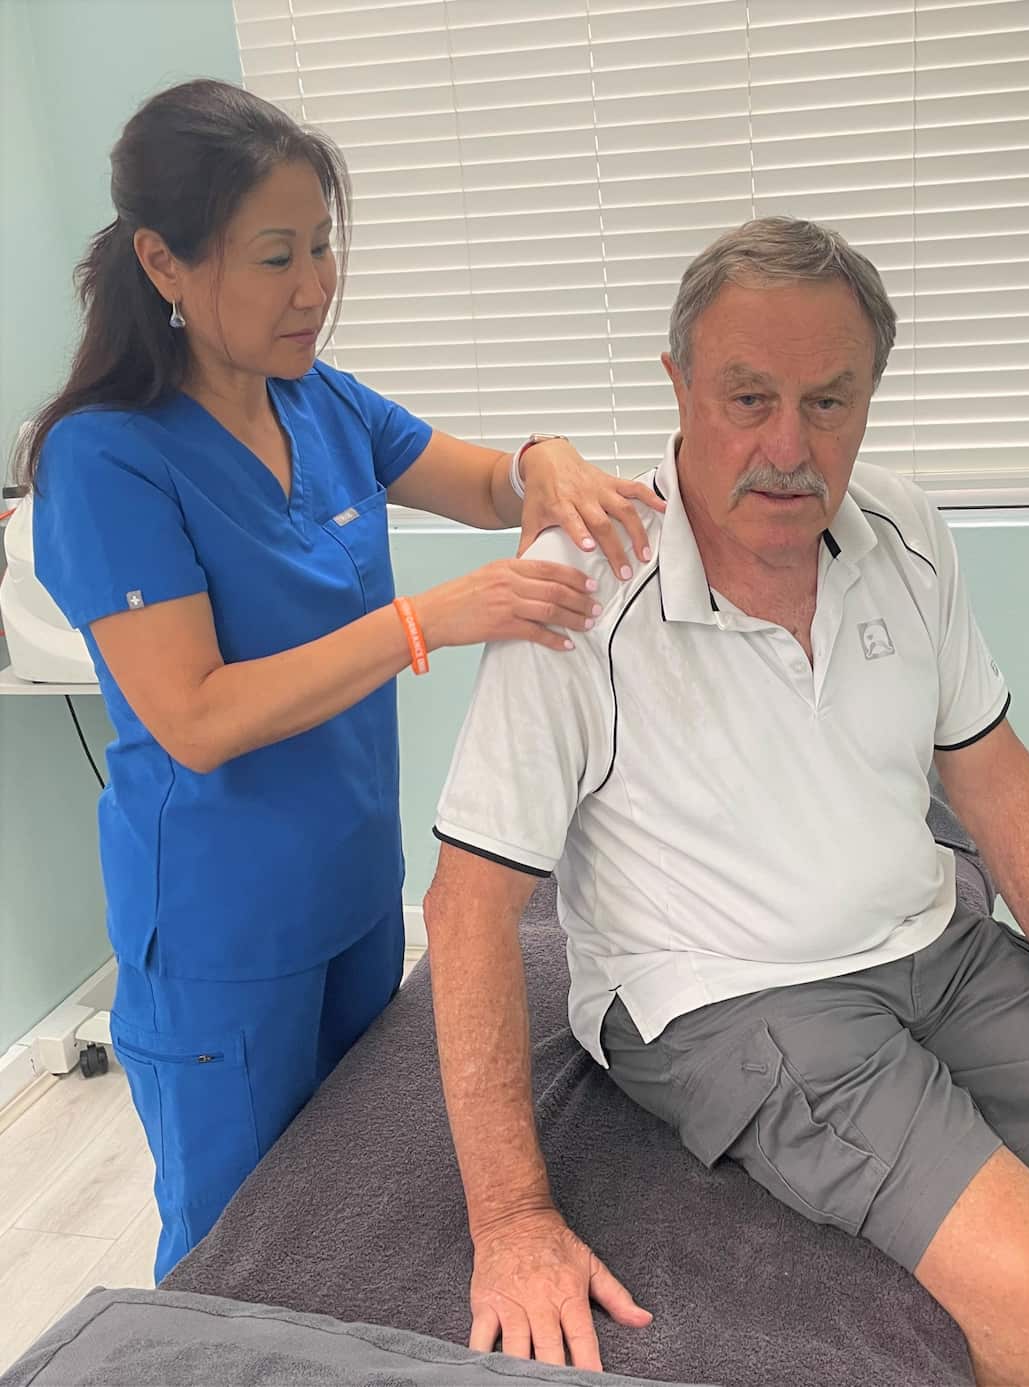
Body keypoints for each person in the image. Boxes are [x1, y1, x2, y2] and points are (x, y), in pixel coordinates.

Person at [424, 218, 1029, 1384]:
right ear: (676, 388)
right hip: (726, 992)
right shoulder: (581, 596)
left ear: (870, 394)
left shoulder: (902, 530)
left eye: (828, 402)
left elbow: (987, 767)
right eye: (746, 398)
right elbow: (468, 907)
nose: (786, 446)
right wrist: (512, 1218)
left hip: (933, 947)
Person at [20, 78, 662, 1282]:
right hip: (224, 929)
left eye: (322, 245)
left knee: (355, 1206)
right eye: (274, 257)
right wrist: (428, 619)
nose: (314, 285)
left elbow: (481, 482)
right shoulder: (105, 460)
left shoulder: (318, 400)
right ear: (163, 261)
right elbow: (198, 717)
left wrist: (548, 461)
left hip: (355, 890)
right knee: (235, 1258)